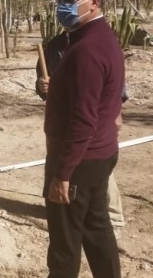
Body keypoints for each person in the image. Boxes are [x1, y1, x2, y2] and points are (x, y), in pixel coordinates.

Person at [24, 0, 125, 278]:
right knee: (97, 228)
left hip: (78, 159)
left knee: (65, 241)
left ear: (93, 1)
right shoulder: (101, 38)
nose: (62, 6)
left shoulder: (86, 50)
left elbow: (83, 119)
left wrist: (63, 173)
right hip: (100, 154)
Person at [36, 34, 127, 232]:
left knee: (96, 168)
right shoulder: (54, 46)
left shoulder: (98, 42)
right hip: (61, 120)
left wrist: (117, 113)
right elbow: (43, 83)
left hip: (93, 118)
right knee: (63, 165)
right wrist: (42, 85)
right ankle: (65, 208)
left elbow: (115, 83)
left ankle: (113, 217)